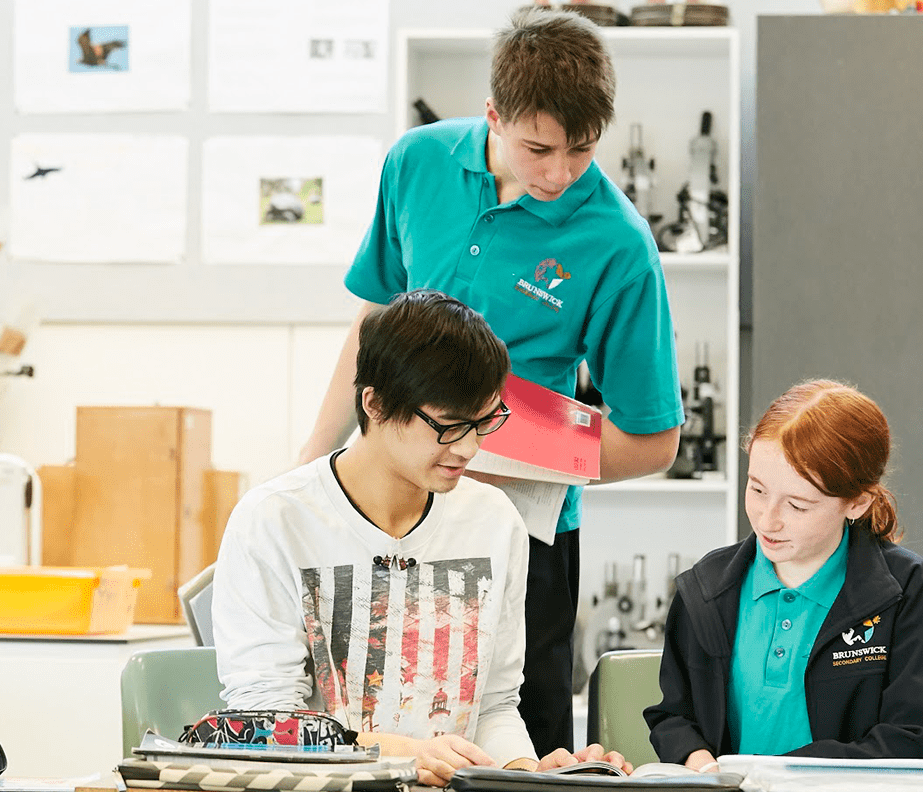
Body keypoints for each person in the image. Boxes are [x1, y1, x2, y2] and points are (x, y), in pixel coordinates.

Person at [297, 6, 683, 755]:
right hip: (380, 518)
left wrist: (504, 457)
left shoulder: (619, 242)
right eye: (539, 148)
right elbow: (371, 326)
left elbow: (654, 439)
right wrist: (314, 459)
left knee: (517, 747)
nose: (561, 173)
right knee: (374, 737)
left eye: (582, 150)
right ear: (492, 115)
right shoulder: (414, 163)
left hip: (521, 542)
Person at [215, 290, 630, 786]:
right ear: (375, 404)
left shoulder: (494, 521)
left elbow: (495, 705)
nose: (471, 448)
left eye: (484, 422)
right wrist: (405, 754)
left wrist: (528, 773)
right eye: (450, 426)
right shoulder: (274, 521)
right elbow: (265, 725)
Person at [644, 380, 923, 765]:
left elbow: (911, 740)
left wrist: (784, 778)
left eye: (798, 506)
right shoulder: (704, 588)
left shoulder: (906, 591)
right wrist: (700, 763)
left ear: (857, 503)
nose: (767, 521)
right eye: (756, 490)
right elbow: (673, 715)